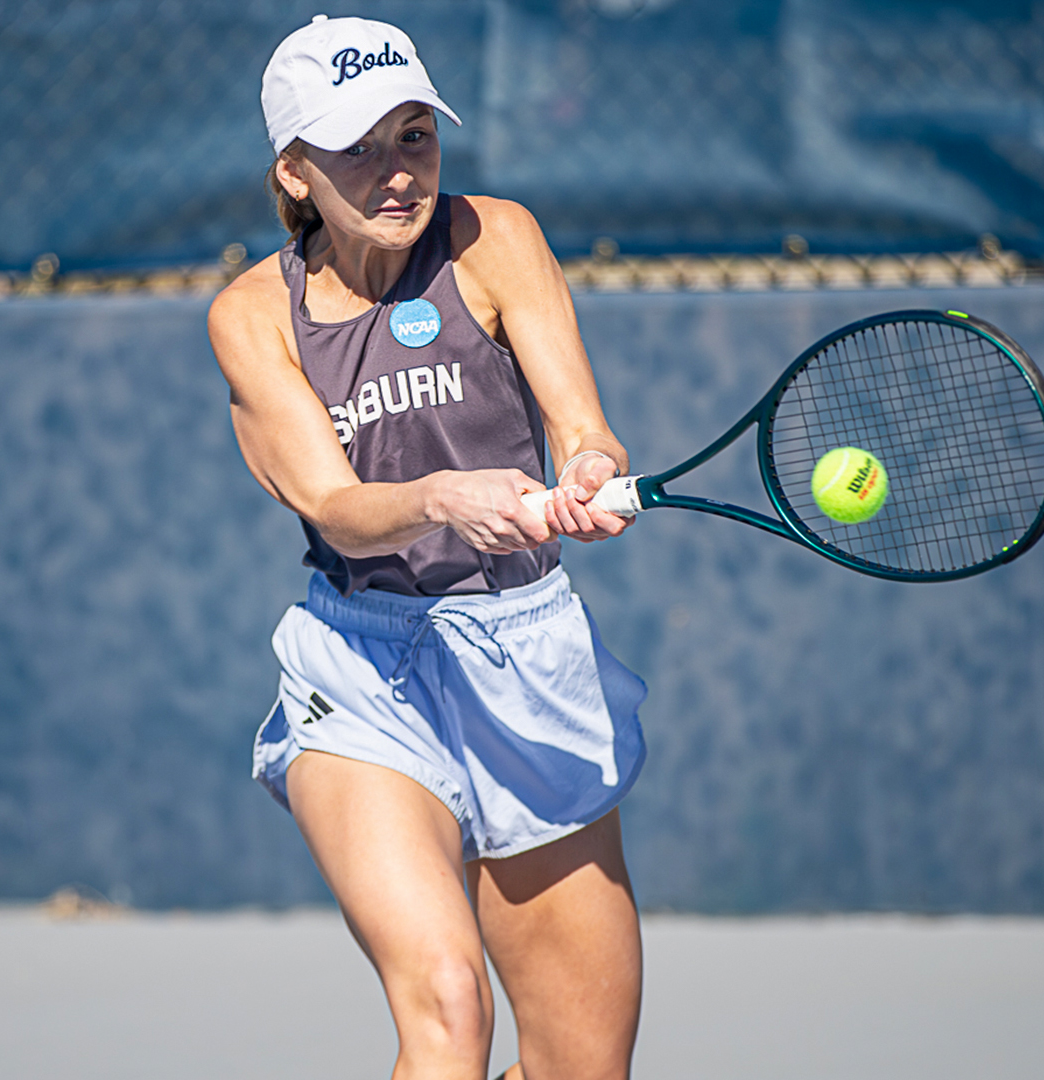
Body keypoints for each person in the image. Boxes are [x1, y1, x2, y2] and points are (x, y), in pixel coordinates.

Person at [208, 15, 647, 1080]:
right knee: (449, 1008)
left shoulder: (496, 236)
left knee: (580, 1065)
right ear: (295, 170)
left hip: (529, 652)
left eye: (414, 136)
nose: (396, 172)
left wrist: (586, 466)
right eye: (359, 146)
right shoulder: (254, 315)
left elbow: (582, 426)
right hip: (365, 668)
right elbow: (331, 502)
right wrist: (444, 497)